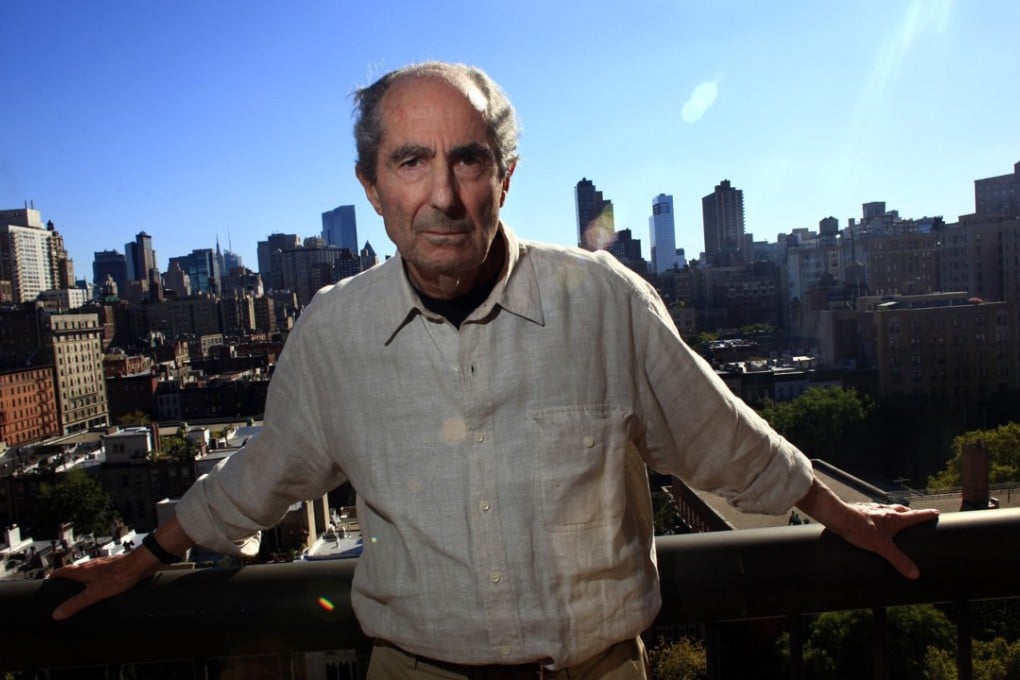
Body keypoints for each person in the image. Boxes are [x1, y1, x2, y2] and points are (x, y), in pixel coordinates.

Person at [51, 62, 938, 679]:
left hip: (597, 673)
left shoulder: (602, 301)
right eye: (410, 161)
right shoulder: (333, 332)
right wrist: (147, 553)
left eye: (467, 159)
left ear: (504, 177)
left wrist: (840, 513)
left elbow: (719, 437)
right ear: (372, 186)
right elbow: (262, 474)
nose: (441, 194)